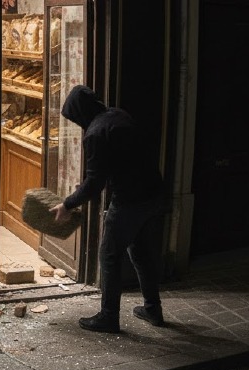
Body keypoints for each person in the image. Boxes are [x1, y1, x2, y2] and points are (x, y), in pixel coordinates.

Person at [51, 85, 165, 333]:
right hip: (154, 193)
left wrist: (68, 204)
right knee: (141, 252)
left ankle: (109, 316)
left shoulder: (95, 133)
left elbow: (94, 183)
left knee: (109, 255)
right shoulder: (117, 115)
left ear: (79, 113)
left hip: (129, 200)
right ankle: (153, 309)